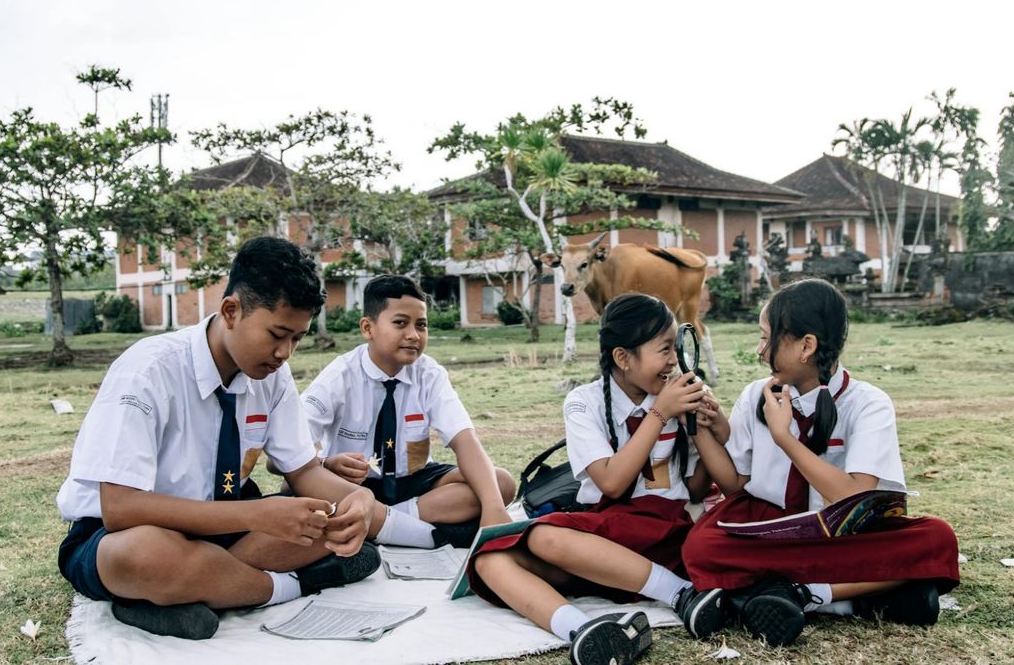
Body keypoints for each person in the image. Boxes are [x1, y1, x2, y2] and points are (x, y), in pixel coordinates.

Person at [56, 236, 387, 640]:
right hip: (122, 532)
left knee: (329, 521)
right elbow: (120, 508)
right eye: (277, 334)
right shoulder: (146, 371)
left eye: (296, 339)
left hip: (224, 521)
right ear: (231, 310)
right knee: (145, 556)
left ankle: (192, 589)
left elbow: (303, 471)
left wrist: (360, 501)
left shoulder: (272, 375)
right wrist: (255, 516)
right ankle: (289, 586)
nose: (285, 353)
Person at [678, 278, 960, 646]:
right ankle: (854, 600)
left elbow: (854, 500)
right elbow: (734, 485)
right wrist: (699, 427)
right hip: (770, 530)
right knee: (700, 547)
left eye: (767, 338)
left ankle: (793, 596)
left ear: (806, 346)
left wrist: (785, 438)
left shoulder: (867, 404)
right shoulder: (754, 395)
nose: (760, 350)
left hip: (842, 536)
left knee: (937, 539)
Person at [467, 293, 735, 665]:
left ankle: (682, 596)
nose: (674, 360)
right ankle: (585, 631)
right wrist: (660, 413)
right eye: (664, 349)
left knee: (543, 535)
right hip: (602, 541)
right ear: (622, 358)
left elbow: (694, 488)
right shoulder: (584, 402)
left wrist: (704, 429)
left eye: (676, 348)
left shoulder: (674, 398)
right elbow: (610, 483)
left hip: (662, 532)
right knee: (488, 562)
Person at [301, 274, 514, 549]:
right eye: (400, 323)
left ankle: (382, 524)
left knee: (501, 484)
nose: (413, 335)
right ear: (368, 328)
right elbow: (289, 454)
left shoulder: (429, 373)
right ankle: (412, 529)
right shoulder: (339, 377)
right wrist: (325, 463)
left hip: (414, 483)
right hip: (354, 486)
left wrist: (495, 509)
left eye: (421, 325)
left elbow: (465, 440)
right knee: (300, 492)